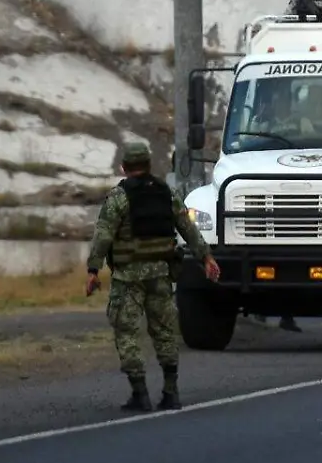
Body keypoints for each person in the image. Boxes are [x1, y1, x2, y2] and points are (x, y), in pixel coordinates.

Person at [85, 143, 221, 411]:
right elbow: (188, 228)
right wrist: (206, 257)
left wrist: (93, 270)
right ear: (148, 165)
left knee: (126, 332)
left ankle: (140, 393)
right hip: (160, 275)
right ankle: (171, 392)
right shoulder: (166, 194)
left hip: (128, 278)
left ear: (124, 167)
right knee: (165, 333)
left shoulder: (119, 197)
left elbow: (103, 235)